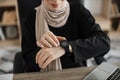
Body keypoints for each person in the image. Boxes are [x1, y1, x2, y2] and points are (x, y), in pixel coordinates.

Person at [22, 0, 110, 72]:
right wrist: (43, 49)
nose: (56, 0)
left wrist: (66, 47)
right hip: (44, 75)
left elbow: (104, 42)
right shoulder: (31, 17)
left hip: (77, 73)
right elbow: (27, 63)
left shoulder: (78, 10)